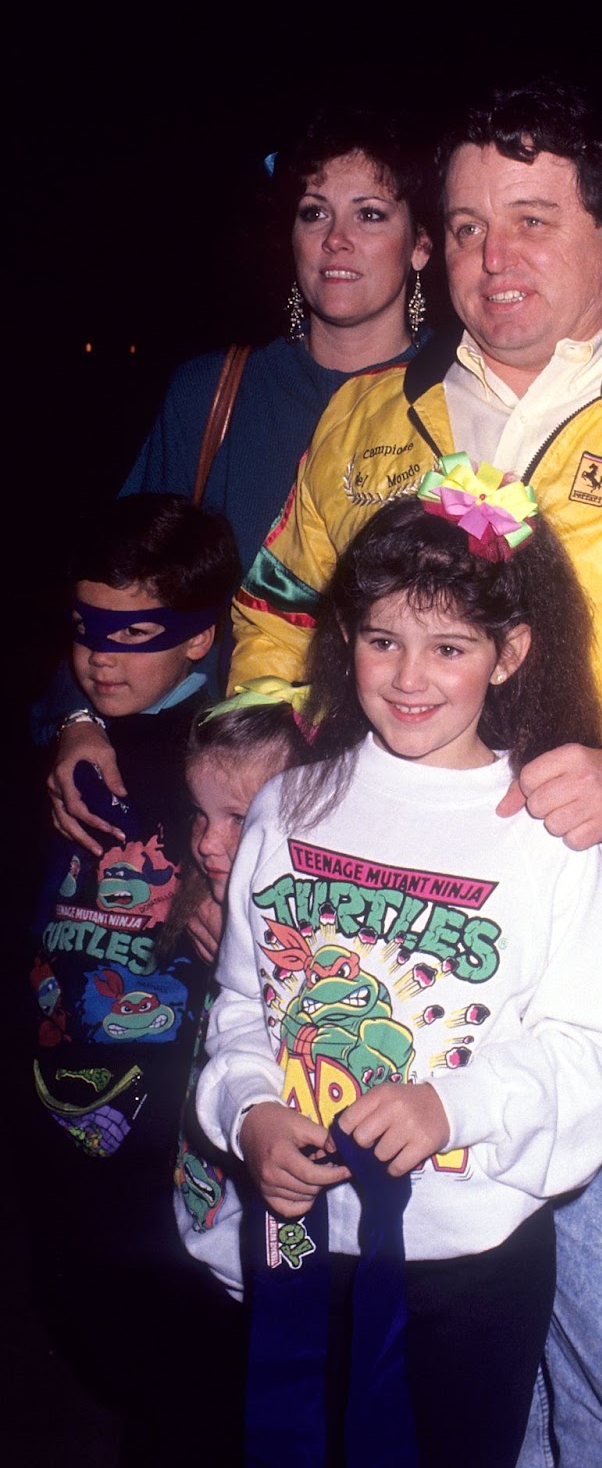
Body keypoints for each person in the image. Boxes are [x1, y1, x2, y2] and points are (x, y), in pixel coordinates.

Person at [227, 82, 602, 1467]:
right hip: (386, 920)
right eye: (464, 226)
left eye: (535, 222)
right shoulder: (371, 419)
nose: (494, 258)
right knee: (436, 1298)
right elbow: (273, 613)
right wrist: (250, 757)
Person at [196, 468, 602, 1467]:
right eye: (383, 640)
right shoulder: (290, 805)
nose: (410, 677)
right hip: (302, 1249)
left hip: (466, 1267)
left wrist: (455, 1105)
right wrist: (246, 1111)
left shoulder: (548, 834)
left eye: (448, 647)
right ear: (345, 639)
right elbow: (238, 1005)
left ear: (508, 653)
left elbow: (601, 1056)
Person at [49, 105, 432, 853]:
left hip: (400, 806)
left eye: (371, 214)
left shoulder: (461, 404)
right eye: (313, 212)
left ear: (421, 246)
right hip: (213, 808)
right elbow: (112, 584)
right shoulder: (213, 395)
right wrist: (77, 720)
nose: (337, 240)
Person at [27, 493, 243, 1468]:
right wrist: (68, 721)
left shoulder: (233, 763)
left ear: (200, 640)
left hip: (182, 1136)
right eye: (84, 630)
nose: (100, 656)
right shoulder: (63, 748)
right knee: (82, 1320)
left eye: (131, 634)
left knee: (188, 1387)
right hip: (59, 1111)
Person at [172, 687, 313, 1289]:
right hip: (206, 1207)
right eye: (199, 816)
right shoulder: (207, 898)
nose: (206, 842)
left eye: (237, 817)